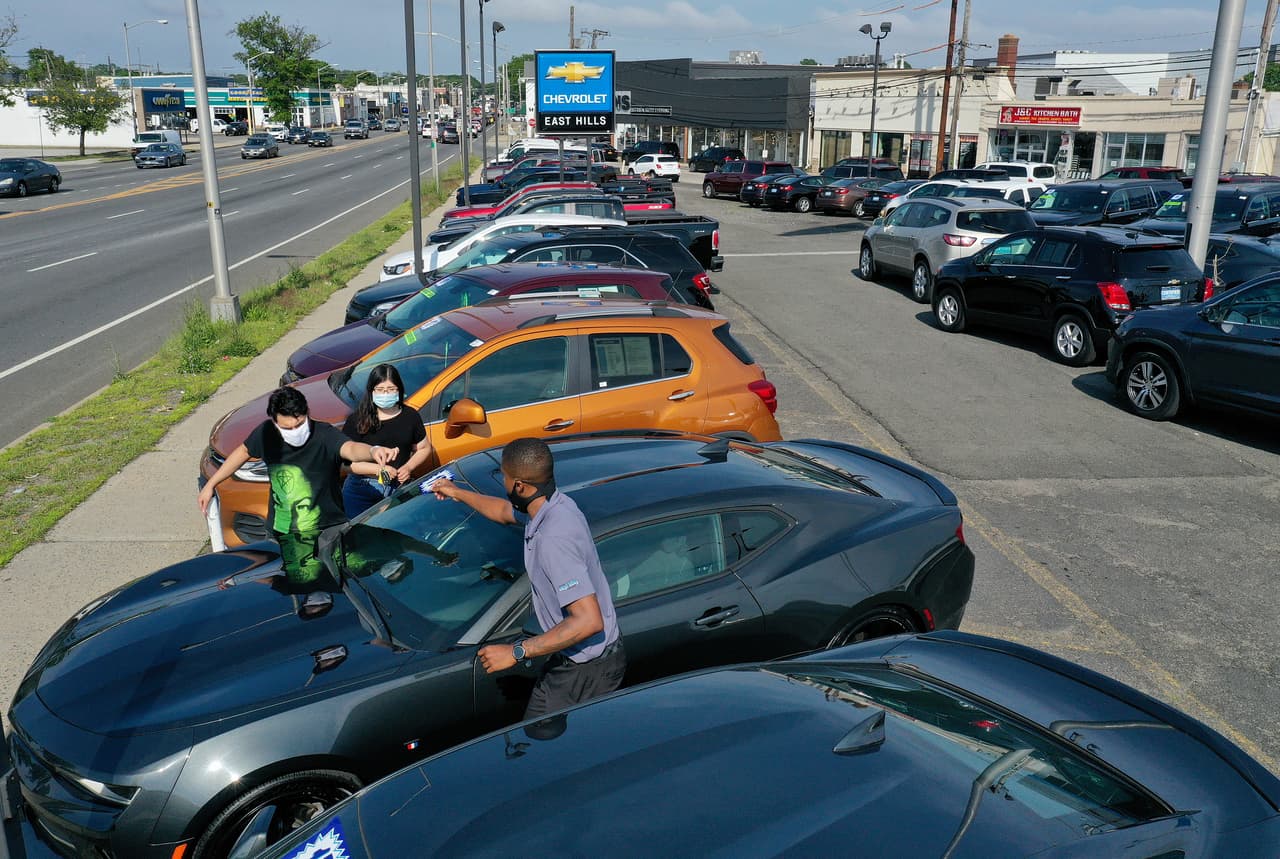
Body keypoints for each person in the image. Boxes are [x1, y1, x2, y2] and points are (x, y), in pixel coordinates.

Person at [430, 437, 625, 719]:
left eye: (505, 477)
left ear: (519, 486)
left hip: (585, 670)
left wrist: (516, 652)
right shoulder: (555, 506)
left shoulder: (552, 539)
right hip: (583, 658)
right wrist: (456, 492)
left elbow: (588, 620)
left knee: (539, 736)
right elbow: (502, 511)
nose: (504, 482)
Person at [198, 387, 397, 605]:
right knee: (294, 582)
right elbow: (243, 452)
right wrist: (212, 483)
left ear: (307, 413)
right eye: (287, 428)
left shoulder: (324, 434)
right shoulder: (266, 434)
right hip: (283, 530)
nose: (294, 431)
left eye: (299, 424)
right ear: (274, 421)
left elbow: (350, 449)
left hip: (326, 528)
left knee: (338, 579)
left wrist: (372, 451)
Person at [341, 364, 433, 518]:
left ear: (399, 390)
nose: (385, 394)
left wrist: (408, 467)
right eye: (380, 390)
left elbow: (424, 448)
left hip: (397, 486)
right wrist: (378, 470)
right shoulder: (357, 419)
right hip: (361, 488)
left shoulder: (410, 416)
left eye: (391, 389)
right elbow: (345, 464)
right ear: (371, 391)